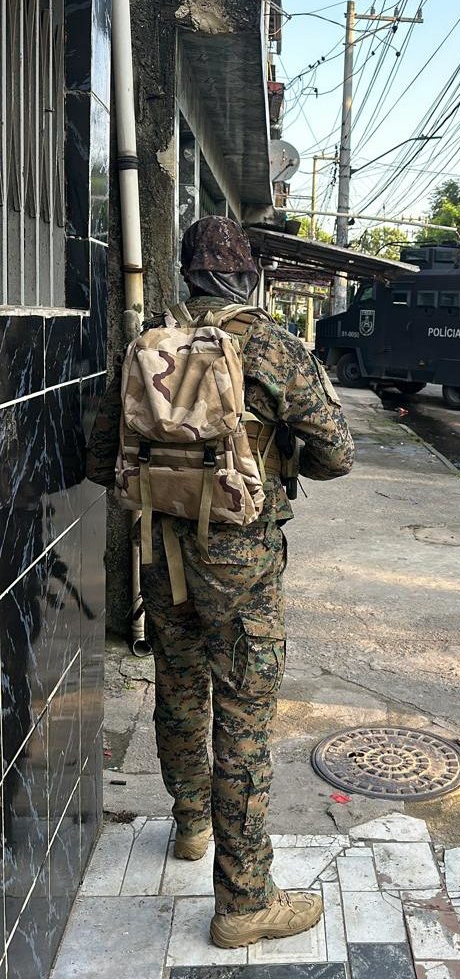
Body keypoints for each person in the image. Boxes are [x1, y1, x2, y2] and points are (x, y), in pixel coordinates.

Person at [87, 216, 354, 948]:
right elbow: (337, 455)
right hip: (242, 563)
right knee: (243, 714)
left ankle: (191, 825)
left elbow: (100, 458)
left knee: (178, 687)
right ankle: (243, 901)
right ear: (247, 274)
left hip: (160, 551)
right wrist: (275, 452)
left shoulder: (147, 345)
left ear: (186, 272)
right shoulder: (272, 346)